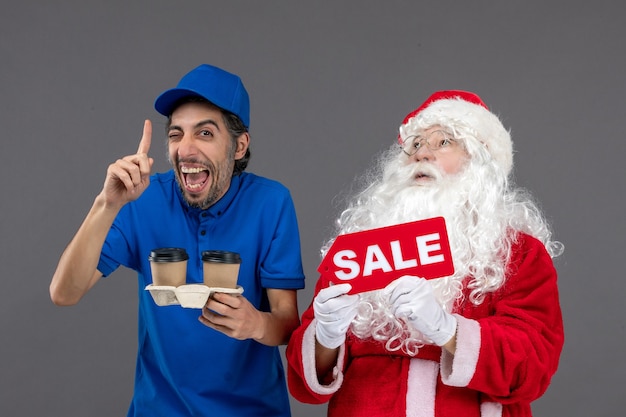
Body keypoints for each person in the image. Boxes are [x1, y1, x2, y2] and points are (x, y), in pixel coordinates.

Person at [286, 90, 564, 417]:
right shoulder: (359, 250)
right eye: (415, 144)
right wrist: (326, 335)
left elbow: (533, 366)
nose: (422, 154)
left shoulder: (517, 252)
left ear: (480, 162)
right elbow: (306, 383)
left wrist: (448, 330)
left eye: (443, 142)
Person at [50, 64, 305, 416]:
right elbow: (64, 293)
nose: (185, 149)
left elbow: (288, 323)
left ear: (239, 146)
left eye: (204, 134)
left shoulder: (271, 202)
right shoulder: (142, 199)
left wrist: (257, 324)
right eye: (175, 134)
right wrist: (106, 205)